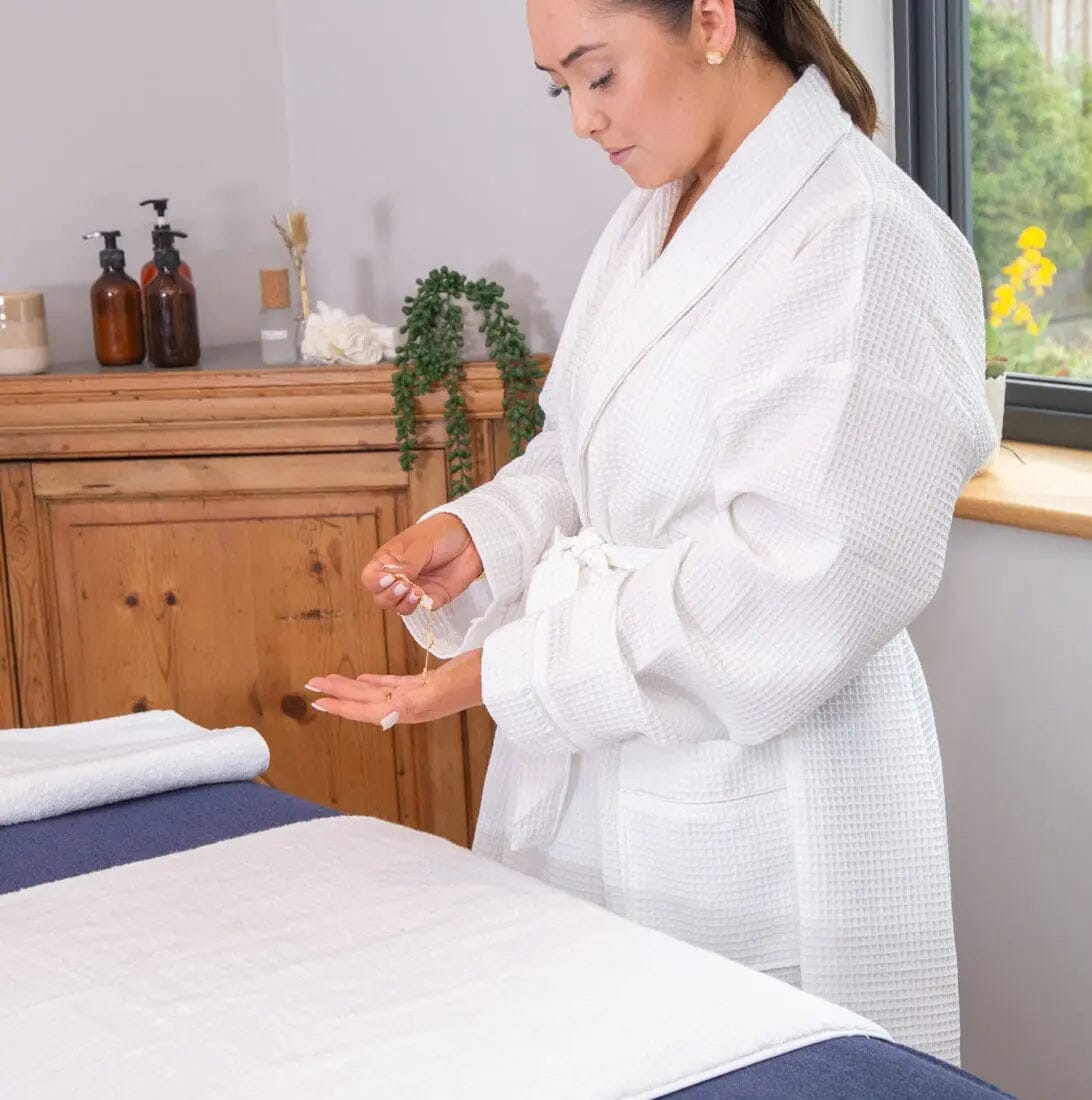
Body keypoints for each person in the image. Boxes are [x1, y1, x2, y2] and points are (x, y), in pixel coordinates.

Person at [306, 0, 996, 1064]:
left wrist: (499, 675)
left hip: (766, 778)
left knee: (754, 1065)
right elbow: (580, 447)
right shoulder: (655, 213)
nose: (581, 119)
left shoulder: (864, 238)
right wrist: (485, 532)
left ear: (711, 20)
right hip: (607, 750)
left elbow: (795, 582)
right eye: (558, 87)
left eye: (597, 74)